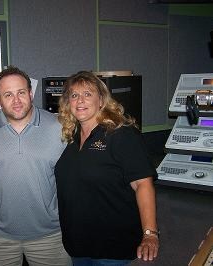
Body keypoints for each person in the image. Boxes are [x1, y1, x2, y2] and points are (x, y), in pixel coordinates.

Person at [55, 71, 159, 266]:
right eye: (74, 95)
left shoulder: (121, 134)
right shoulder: (70, 138)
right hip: (78, 245)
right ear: (68, 103)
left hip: (112, 249)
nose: (80, 100)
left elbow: (143, 184)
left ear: (101, 100)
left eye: (88, 94)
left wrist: (150, 233)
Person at [0, 66, 71, 266]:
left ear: (30, 93)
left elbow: (73, 181)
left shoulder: (59, 127)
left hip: (50, 235)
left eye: (21, 93)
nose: (16, 100)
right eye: (8, 95)